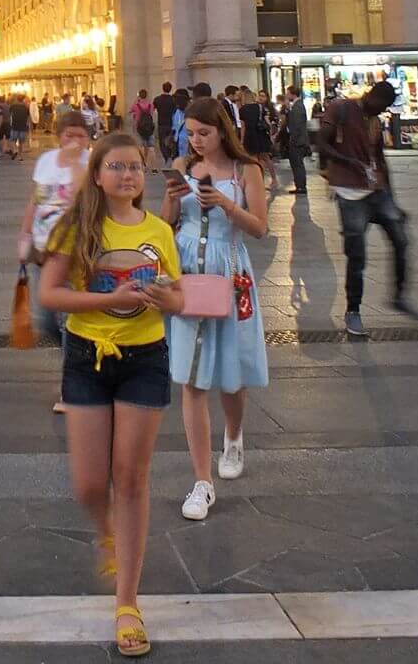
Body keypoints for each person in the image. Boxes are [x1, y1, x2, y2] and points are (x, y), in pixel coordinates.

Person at [40, 133, 184, 657]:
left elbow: (179, 295)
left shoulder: (159, 231)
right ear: (97, 175)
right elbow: (50, 294)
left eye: (136, 167)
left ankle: (128, 602)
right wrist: (109, 300)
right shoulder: (75, 228)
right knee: (87, 485)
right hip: (86, 358)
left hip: (146, 359)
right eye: (117, 166)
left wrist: (165, 295)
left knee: (131, 478)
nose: (127, 175)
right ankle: (107, 535)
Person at [163, 97, 269, 524]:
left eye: (203, 133)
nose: (196, 141)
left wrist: (225, 204)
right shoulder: (183, 165)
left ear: (223, 130)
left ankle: (235, 433)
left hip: (229, 271)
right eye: (190, 133)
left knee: (231, 370)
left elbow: (260, 228)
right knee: (190, 375)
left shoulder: (247, 171)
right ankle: (202, 481)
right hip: (188, 272)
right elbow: (166, 221)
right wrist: (173, 198)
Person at [318, 81, 418, 338]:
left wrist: (393, 199)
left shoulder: (375, 120)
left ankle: (398, 295)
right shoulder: (340, 108)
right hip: (349, 192)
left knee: (401, 240)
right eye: (382, 105)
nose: (383, 110)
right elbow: (321, 144)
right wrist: (347, 161)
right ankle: (353, 310)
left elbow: (380, 159)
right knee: (357, 256)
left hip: (377, 191)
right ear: (372, 96)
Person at [19, 110, 92, 412]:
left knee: (69, 322)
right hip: (44, 248)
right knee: (48, 318)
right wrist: (24, 233)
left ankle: (72, 386)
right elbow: (36, 199)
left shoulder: (91, 163)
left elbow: (81, 198)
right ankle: (83, 366)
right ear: (58, 135)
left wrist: (76, 163)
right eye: (68, 135)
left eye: (79, 135)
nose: (73, 141)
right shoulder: (46, 161)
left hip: (75, 250)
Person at [238, 86, 276, 190]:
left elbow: (243, 127)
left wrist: (241, 141)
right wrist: (271, 135)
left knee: (252, 160)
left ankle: (257, 181)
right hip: (261, 135)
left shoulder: (242, 110)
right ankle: (274, 180)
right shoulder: (260, 107)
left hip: (250, 137)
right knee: (266, 158)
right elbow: (267, 122)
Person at [285, 85, 311, 195]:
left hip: (298, 141)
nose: (286, 95)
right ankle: (299, 185)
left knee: (297, 164)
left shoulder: (298, 106)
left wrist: (293, 139)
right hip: (297, 139)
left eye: (288, 93)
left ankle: (301, 186)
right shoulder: (295, 106)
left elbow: (297, 126)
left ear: (292, 93)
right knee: (296, 164)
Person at [152, 83, 176, 170]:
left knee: (162, 143)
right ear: (170, 89)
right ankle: (170, 156)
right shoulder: (173, 100)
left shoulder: (157, 99)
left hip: (161, 124)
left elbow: (152, 110)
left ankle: (166, 158)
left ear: (162, 88)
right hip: (171, 124)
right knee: (170, 142)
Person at [130, 91, 156, 170]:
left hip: (139, 127)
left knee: (141, 146)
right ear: (146, 96)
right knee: (151, 147)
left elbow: (130, 111)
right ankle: (152, 166)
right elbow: (152, 114)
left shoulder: (136, 105)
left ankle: (143, 164)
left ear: (139, 96)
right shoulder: (150, 105)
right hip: (149, 127)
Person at [7, 93, 31, 160]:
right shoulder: (26, 107)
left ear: (17, 99)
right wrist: (28, 125)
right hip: (23, 126)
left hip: (14, 125)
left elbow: (10, 115)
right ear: (23, 99)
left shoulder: (13, 106)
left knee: (12, 140)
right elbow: (28, 117)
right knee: (21, 142)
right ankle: (20, 156)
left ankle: (15, 150)